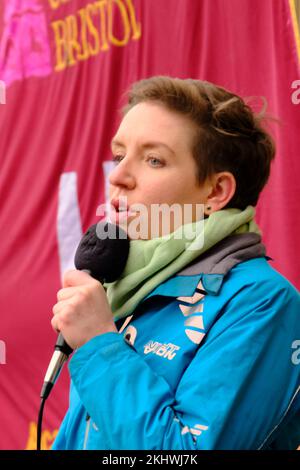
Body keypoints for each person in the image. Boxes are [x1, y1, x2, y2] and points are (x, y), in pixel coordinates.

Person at [51, 76, 300, 450]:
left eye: (154, 159)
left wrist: (99, 344)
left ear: (215, 192)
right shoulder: (129, 289)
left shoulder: (261, 302)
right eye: (119, 155)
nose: (118, 176)